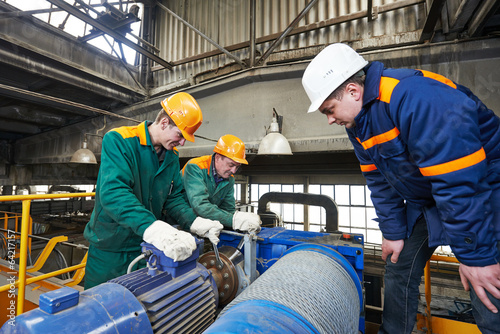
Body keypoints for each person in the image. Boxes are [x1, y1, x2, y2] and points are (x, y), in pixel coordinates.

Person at [302, 43, 500, 333]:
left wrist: (476, 257)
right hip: (430, 196)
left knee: (484, 280)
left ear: (354, 92)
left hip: (482, 189)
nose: (331, 119)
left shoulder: (415, 97)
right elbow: (380, 181)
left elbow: (459, 181)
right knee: (397, 265)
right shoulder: (358, 125)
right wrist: (393, 233)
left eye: (329, 110)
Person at [83, 92, 224, 289]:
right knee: (99, 310)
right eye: (180, 135)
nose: (182, 143)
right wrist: (152, 227)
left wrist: (195, 222)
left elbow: (173, 199)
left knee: (142, 310)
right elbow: (114, 193)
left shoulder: (171, 157)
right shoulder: (119, 140)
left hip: (146, 248)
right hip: (110, 248)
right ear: (164, 122)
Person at [181, 134, 262, 237]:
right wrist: (233, 220)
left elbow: (228, 209)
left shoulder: (229, 180)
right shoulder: (195, 167)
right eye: (231, 165)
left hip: (205, 228)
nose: (233, 171)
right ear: (218, 158)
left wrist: (240, 221)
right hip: (180, 224)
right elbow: (200, 206)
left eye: (237, 167)